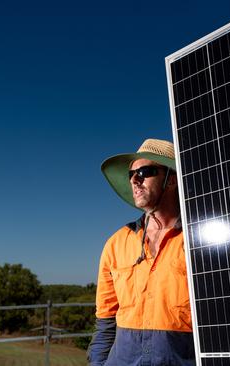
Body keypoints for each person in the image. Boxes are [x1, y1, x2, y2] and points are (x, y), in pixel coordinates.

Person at [87, 138, 194, 365]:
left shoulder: (197, 242)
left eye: (145, 171)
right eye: (131, 174)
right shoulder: (116, 244)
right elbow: (105, 323)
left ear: (171, 178)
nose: (135, 180)